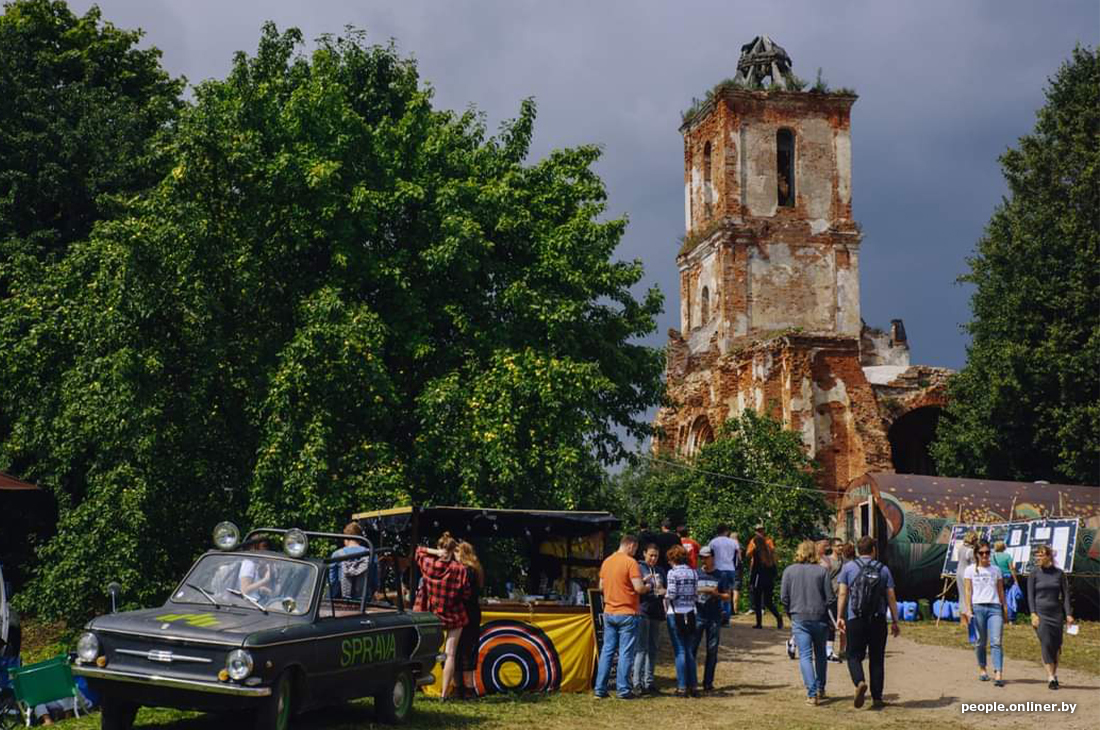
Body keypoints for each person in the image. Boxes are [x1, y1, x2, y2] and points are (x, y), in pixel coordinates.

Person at [837, 536, 899, 709]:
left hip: (855, 618)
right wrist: (894, 620)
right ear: (873, 551)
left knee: (853, 655)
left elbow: (842, 594)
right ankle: (877, 698)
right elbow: (891, 596)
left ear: (858, 550)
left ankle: (859, 682)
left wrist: (840, 616)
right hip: (878, 619)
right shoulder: (883, 569)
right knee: (877, 658)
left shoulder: (848, 568)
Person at [415, 532, 472, 700]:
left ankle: (416, 687)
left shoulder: (429, 565)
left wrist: (435, 553)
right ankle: (444, 694)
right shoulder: (460, 569)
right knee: (451, 655)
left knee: (425, 650)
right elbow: (467, 594)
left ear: (440, 548)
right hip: (456, 616)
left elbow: (418, 551)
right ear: (453, 549)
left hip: (434, 616)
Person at [781, 540, 835, 706]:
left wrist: (790, 613)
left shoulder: (789, 571)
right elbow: (830, 597)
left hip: (799, 617)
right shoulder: (822, 571)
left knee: (804, 655)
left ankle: (812, 694)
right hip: (820, 617)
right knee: (820, 655)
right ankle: (820, 688)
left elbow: (784, 597)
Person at [595, 534, 648, 699]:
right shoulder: (630, 562)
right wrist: (648, 585)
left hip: (609, 612)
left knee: (607, 651)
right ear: (631, 545)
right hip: (627, 612)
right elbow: (639, 588)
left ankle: (600, 689)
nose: (636, 552)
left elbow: (601, 586)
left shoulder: (607, 561)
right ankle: (623, 690)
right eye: (636, 549)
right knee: (626, 652)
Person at [1027, 545, 1074, 689]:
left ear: (1048, 557)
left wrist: (1069, 614)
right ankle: (1050, 677)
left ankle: (1054, 673)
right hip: (1041, 614)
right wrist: (1033, 613)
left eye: (1041, 555)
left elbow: (1066, 595)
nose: (1038, 558)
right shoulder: (1034, 574)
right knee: (1046, 643)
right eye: (1037, 556)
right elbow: (1030, 595)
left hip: (1056, 614)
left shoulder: (1059, 574)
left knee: (1056, 646)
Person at [961, 540, 1008, 686]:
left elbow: (1001, 591)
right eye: (981, 553)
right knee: (980, 641)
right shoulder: (970, 570)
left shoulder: (996, 570)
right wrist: (968, 609)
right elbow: (968, 591)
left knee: (996, 641)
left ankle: (998, 673)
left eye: (987, 552)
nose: (985, 555)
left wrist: (1004, 608)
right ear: (976, 554)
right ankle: (982, 669)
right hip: (978, 607)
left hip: (994, 608)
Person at [693, 546, 731, 693]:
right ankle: (691, 680)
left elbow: (727, 596)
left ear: (713, 558)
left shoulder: (721, 575)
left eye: (707, 557)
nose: (704, 560)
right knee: (692, 649)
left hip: (714, 617)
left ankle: (708, 682)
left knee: (712, 650)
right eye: (701, 557)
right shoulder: (696, 574)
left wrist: (717, 594)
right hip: (698, 616)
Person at [664, 544, 699, 697]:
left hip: (676, 612)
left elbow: (671, 594)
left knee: (680, 651)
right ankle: (694, 686)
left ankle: (682, 686)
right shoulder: (693, 573)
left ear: (672, 558)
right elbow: (696, 594)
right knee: (689, 651)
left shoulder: (672, 573)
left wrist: (662, 594)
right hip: (691, 612)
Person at [632, 543, 666, 695]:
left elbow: (664, 589)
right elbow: (635, 588)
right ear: (644, 553)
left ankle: (649, 681)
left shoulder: (660, 570)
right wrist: (646, 581)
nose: (653, 558)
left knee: (653, 647)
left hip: (656, 611)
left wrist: (663, 590)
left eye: (656, 556)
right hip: (643, 610)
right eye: (651, 555)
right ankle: (636, 682)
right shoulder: (639, 568)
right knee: (641, 649)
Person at [455, 541, 485, 699]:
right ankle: (465, 687)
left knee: (463, 650)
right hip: (472, 613)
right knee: (465, 649)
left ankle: (466, 688)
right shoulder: (476, 569)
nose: (454, 555)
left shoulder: (467, 571)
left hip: (465, 613)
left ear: (463, 553)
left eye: (456, 552)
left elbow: (461, 593)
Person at [328, 522, 377, 601]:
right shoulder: (371, 554)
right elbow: (375, 582)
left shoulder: (337, 555)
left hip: (342, 601)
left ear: (346, 537)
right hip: (364, 601)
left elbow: (332, 581)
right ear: (360, 538)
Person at [746, 526, 782, 629]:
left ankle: (759, 623)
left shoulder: (757, 554)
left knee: (758, 602)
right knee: (768, 602)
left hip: (759, 579)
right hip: (769, 580)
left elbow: (755, 569)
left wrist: (752, 582)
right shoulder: (770, 553)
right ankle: (778, 617)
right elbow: (774, 568)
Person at [817, 539, 843, 662]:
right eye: (838, 546)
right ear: (832, 547)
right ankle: (793, 641)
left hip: (838, 595)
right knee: (818, 622)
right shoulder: (826, 562)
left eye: (841, 546)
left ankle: (829, 650)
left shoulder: (843, 561)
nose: (841, 548)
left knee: (831, 624)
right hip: (826, 596)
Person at [707, 524, 739, 624]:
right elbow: (737, 557)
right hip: (730, 568)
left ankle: (718, 616)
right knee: (728, 594)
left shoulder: (713, 542)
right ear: (726, 531)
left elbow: (710, 555)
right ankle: (727, 619)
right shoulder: (733, 542)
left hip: (718, 569)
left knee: (717, 594)